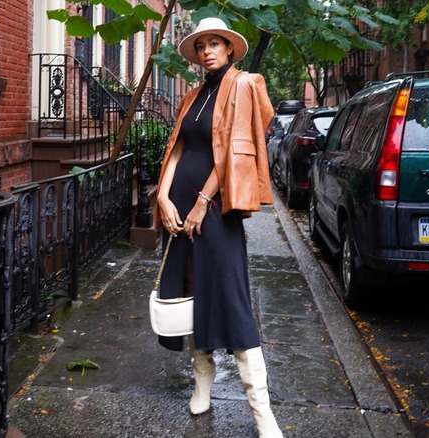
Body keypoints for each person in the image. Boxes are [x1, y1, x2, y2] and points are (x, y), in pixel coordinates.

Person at [155, 16, 282, 438]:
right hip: (177, 209)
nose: (208, 50)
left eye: (216, 43)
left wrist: (202, 203)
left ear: (229, 49)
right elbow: (177, 151)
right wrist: (161, 197)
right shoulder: (191, 96)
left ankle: (261, 411)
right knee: (190, 295)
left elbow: (232, 151)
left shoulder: (243, 85)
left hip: (214, 209)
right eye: (202, 45)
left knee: (231, 299)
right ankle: (202, 382)